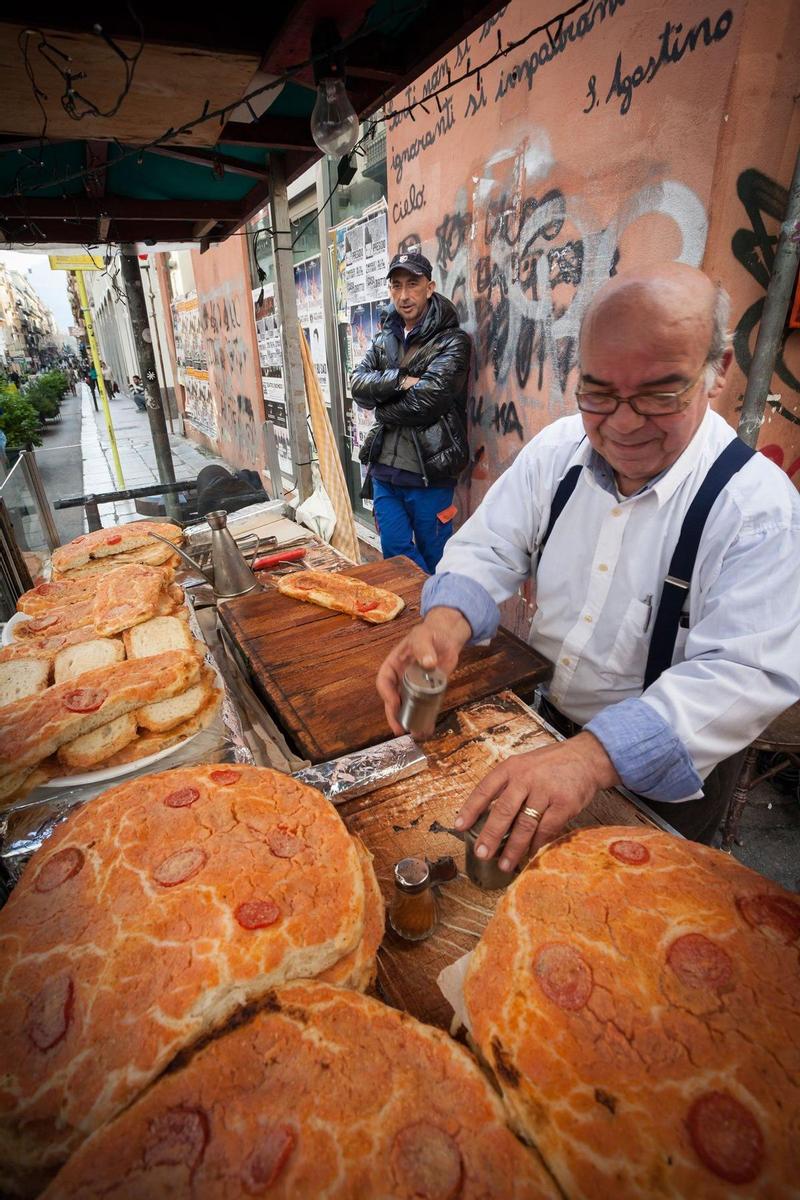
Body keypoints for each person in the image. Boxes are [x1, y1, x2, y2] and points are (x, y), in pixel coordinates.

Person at [376, 263, 800, 866]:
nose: (624, 423)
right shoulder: (559, 451)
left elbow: (742, 674)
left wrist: (592, 757)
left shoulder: (758, 511)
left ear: (718, 372)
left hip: (665, 785)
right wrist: (446, 620)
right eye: (599, 393)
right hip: (542, 727)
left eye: (659, 394)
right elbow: (490, 545)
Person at [351, 250, 471, 573]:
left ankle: (438, 615)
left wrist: (383, 407)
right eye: (396, 286)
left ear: (429, 287)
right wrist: (402, 380)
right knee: (396, 556)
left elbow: (428, 401)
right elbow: (357, 385)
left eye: (412, 285)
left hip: (430, 474)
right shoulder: (384, 338)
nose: (403, 296)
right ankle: (422, 610)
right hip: (384, 474)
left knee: (437, 560)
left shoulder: (453, 341)